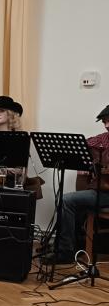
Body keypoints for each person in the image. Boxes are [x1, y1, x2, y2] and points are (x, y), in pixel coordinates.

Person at [52, 104, 109, 263]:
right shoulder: (104, 138)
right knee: (68, 201)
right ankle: (69, 246)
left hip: (106, 192)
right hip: (99, 190)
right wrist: (84, 163)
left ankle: (65, 252)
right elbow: (82, 144)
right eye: (104, 121)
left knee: (66, 200)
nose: (106, 125)